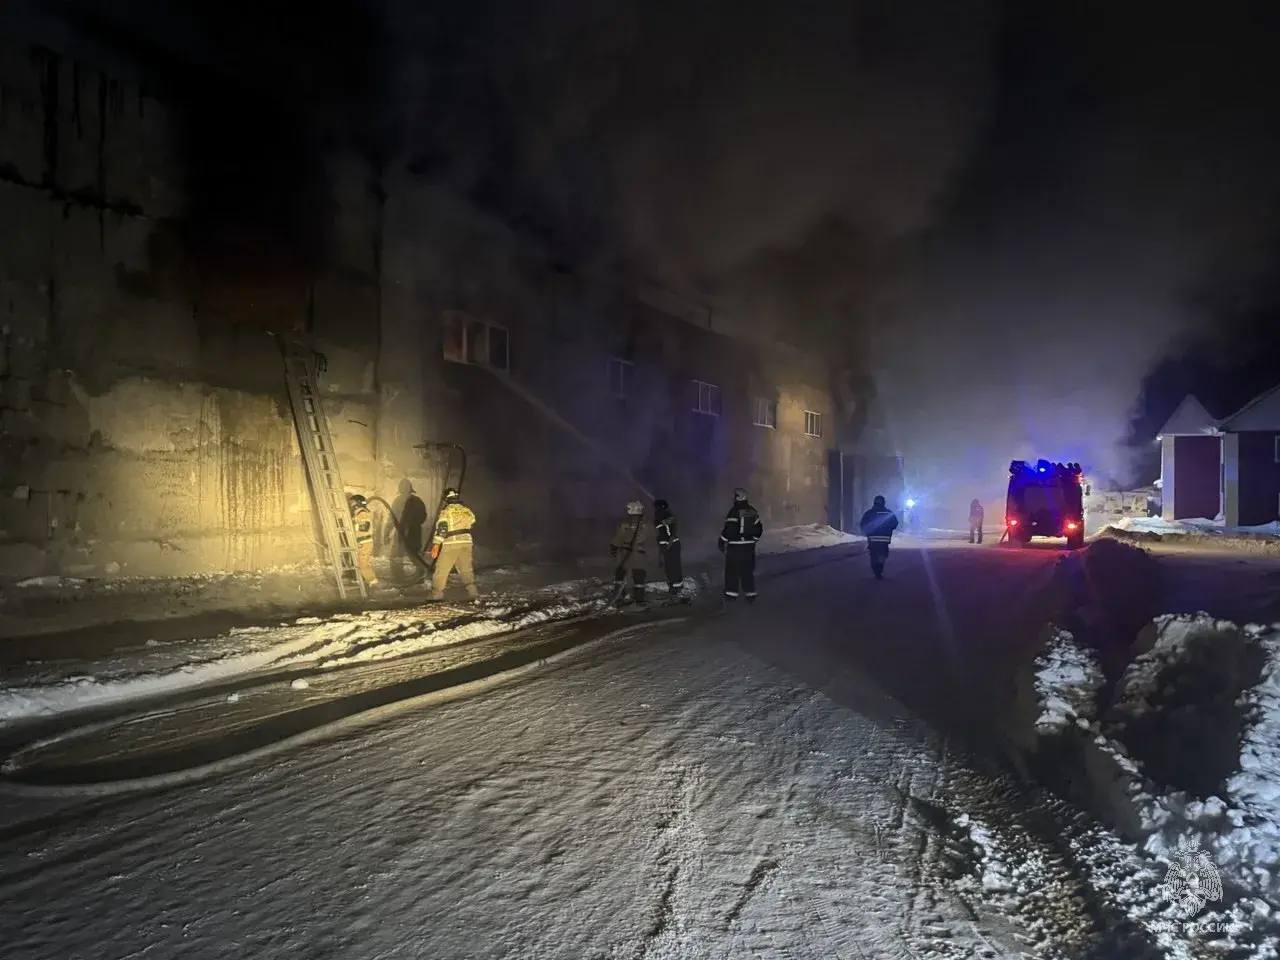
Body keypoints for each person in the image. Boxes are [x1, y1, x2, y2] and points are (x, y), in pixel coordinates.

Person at [430, 487, 479, 602]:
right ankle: (473, 592)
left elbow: (442, 528)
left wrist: (436, 544)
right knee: (466, 568)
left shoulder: (446, 511)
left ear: (445, 499)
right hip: (466, 542)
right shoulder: (466, 510)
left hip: (451, 543)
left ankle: (436, 595)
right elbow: (472, 521)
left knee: (442, 569)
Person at [719, 487, 763, 602]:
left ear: (738, 497)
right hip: (749, 547)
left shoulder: (734, 511)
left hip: (735, 547)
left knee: (732, 571)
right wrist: (753, 539)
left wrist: (722, 541)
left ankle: (731, 595)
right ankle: (750, 594)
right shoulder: (753, 511)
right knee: (747, 571)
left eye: (734, 496)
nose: (733, 499)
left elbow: (729, 529)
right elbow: (759, 528)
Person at [609, 500, 649, 605]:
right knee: (639, 576)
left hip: (626, 553)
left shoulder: (625, 523)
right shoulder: (645, 524)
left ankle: (620, 597)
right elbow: (651, 537)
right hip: (639, 553)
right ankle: (640, 599)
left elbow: (619, 538)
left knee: (620, 574)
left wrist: (613, 548)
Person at [392, 479, 428, 582]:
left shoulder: (399, 500)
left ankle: (400, 577)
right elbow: (424, 516)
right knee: (412, 554)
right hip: (412, 531)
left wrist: (410, 524)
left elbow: (391, 518)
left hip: (406, 530)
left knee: (401, 554)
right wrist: (416, 524)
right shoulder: (417, 500)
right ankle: (417, 576)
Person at [653, 499, 686, 601]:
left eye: (657, 508)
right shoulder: (659, 518)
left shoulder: (668, 517)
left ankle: (677, 589)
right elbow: (661, 535)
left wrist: (668, 546)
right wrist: (661, 555)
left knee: (674, 567)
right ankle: (674, 587)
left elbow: (672, 533)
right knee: (669, 568)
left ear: (661, 507)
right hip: (667, 546)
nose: (655, 510)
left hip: (673, 545)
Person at [860, 494, 899, 580]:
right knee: (882, 554)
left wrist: (867, 531)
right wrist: (888, 529)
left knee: (873, 554)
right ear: (884, 503)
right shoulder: (889, 513)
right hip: (885, 539)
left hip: (872, 538)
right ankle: (880, 569)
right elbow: (895, 523)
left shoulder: (869, 513)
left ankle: (875, 569)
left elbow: (863, 524)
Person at [348, 493, 378, 588]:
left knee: (363, 563)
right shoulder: (358, 513)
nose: (351, 505)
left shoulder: (362, 513)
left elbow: (364, 527)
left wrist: (352, 525)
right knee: (360, 561)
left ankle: (372, 581)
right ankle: (364, 578)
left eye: (352, 503)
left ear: (358, 503)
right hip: (362, 542)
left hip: (364, 542)